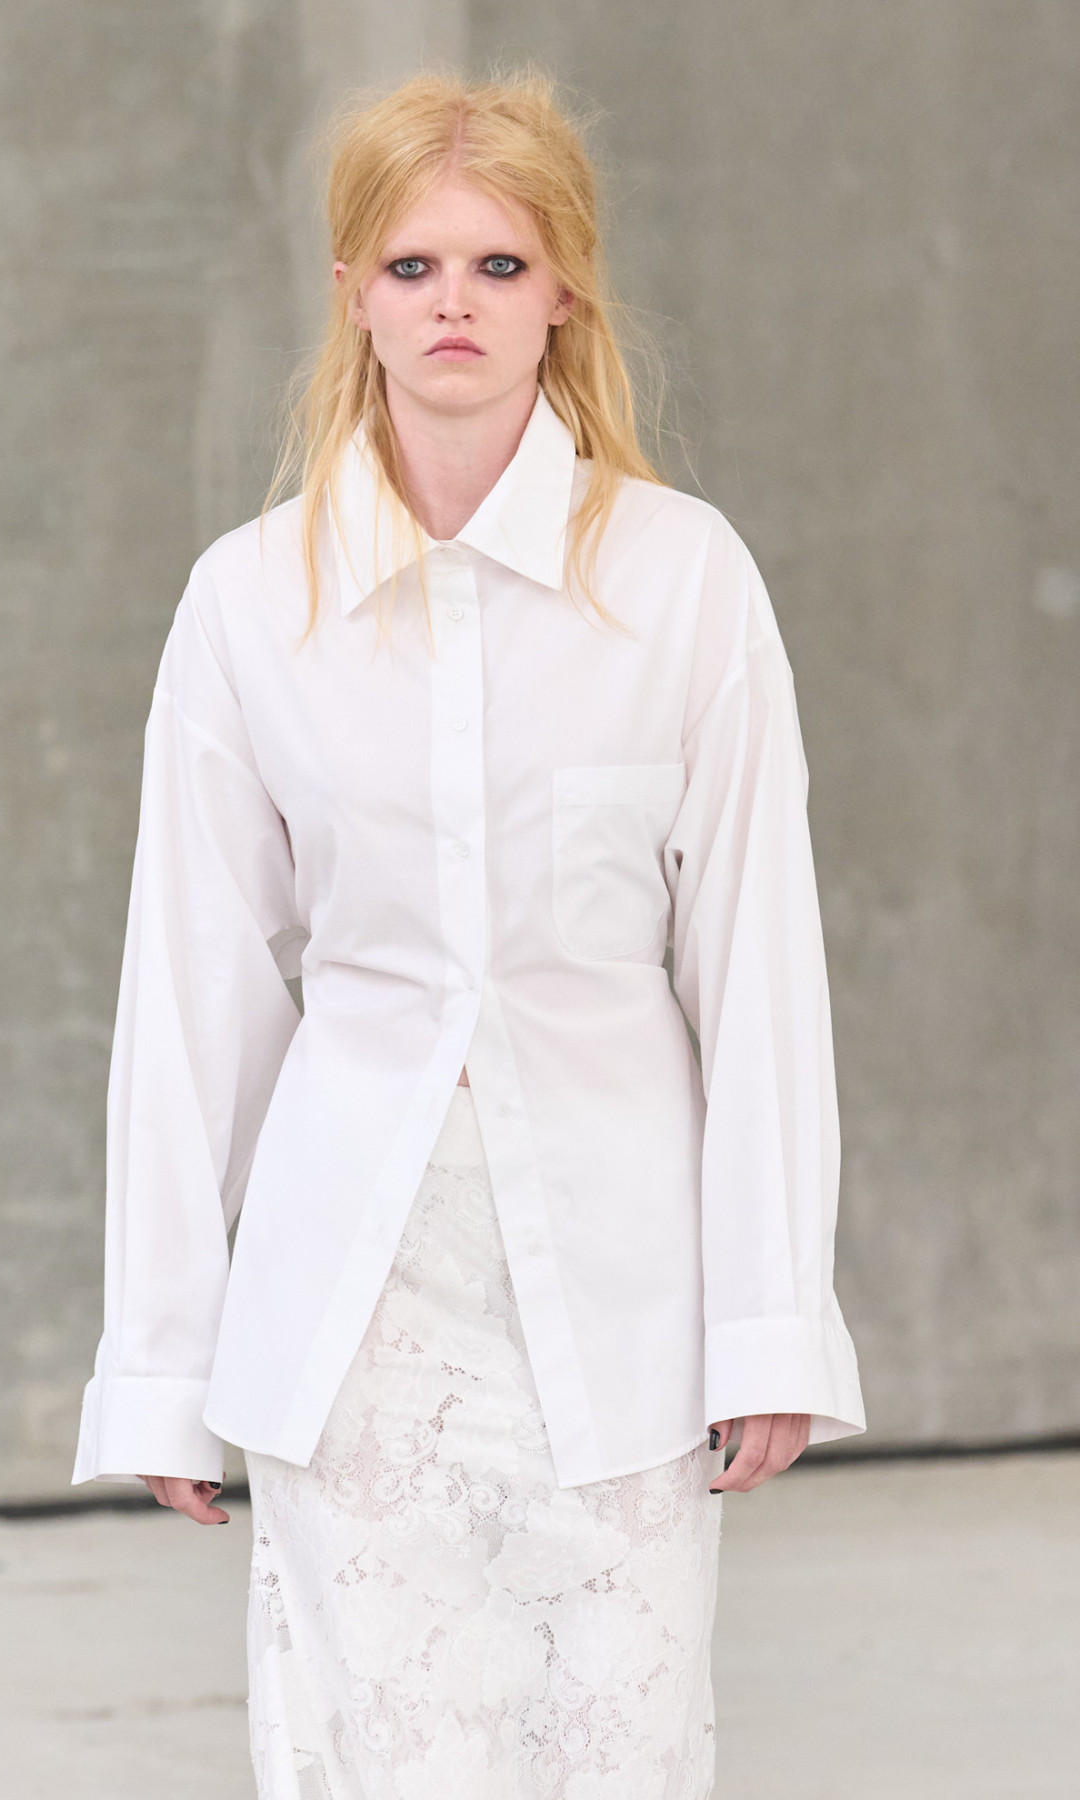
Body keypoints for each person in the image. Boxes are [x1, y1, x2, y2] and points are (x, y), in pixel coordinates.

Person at [73, 67, 865, 1800]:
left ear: (564, 289)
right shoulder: (248, 603)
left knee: (619, 1750)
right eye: (413, 266)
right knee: (377, 1754)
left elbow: (758, 972)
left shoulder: (684, 581)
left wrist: (770, 1324)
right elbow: (193, 996)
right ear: (350, 290)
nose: (456, 304)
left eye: (500, 265)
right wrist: (162, 1365)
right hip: (355, 1312)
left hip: (626, 1297)